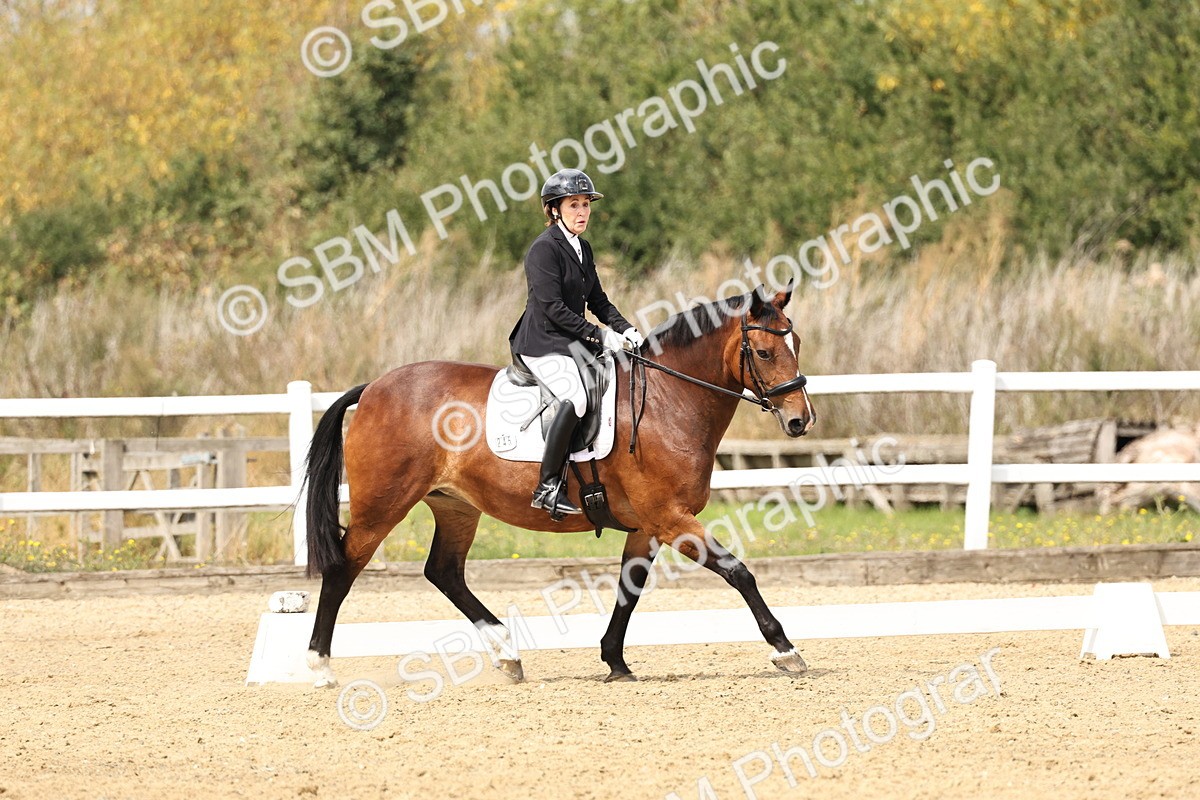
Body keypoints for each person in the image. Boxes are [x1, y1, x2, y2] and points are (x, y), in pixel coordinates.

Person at [508, 168, 644, 517]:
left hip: (571, 342)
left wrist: (625, 328)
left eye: (586, 205)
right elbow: (552, 308)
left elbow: (597, 300)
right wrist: (599, 334)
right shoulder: (543, 250)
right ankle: (547, 486)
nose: (582, 212)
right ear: (554, 210)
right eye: (573, 205)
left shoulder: (582, 247)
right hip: (541, 341)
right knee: (576, 397)